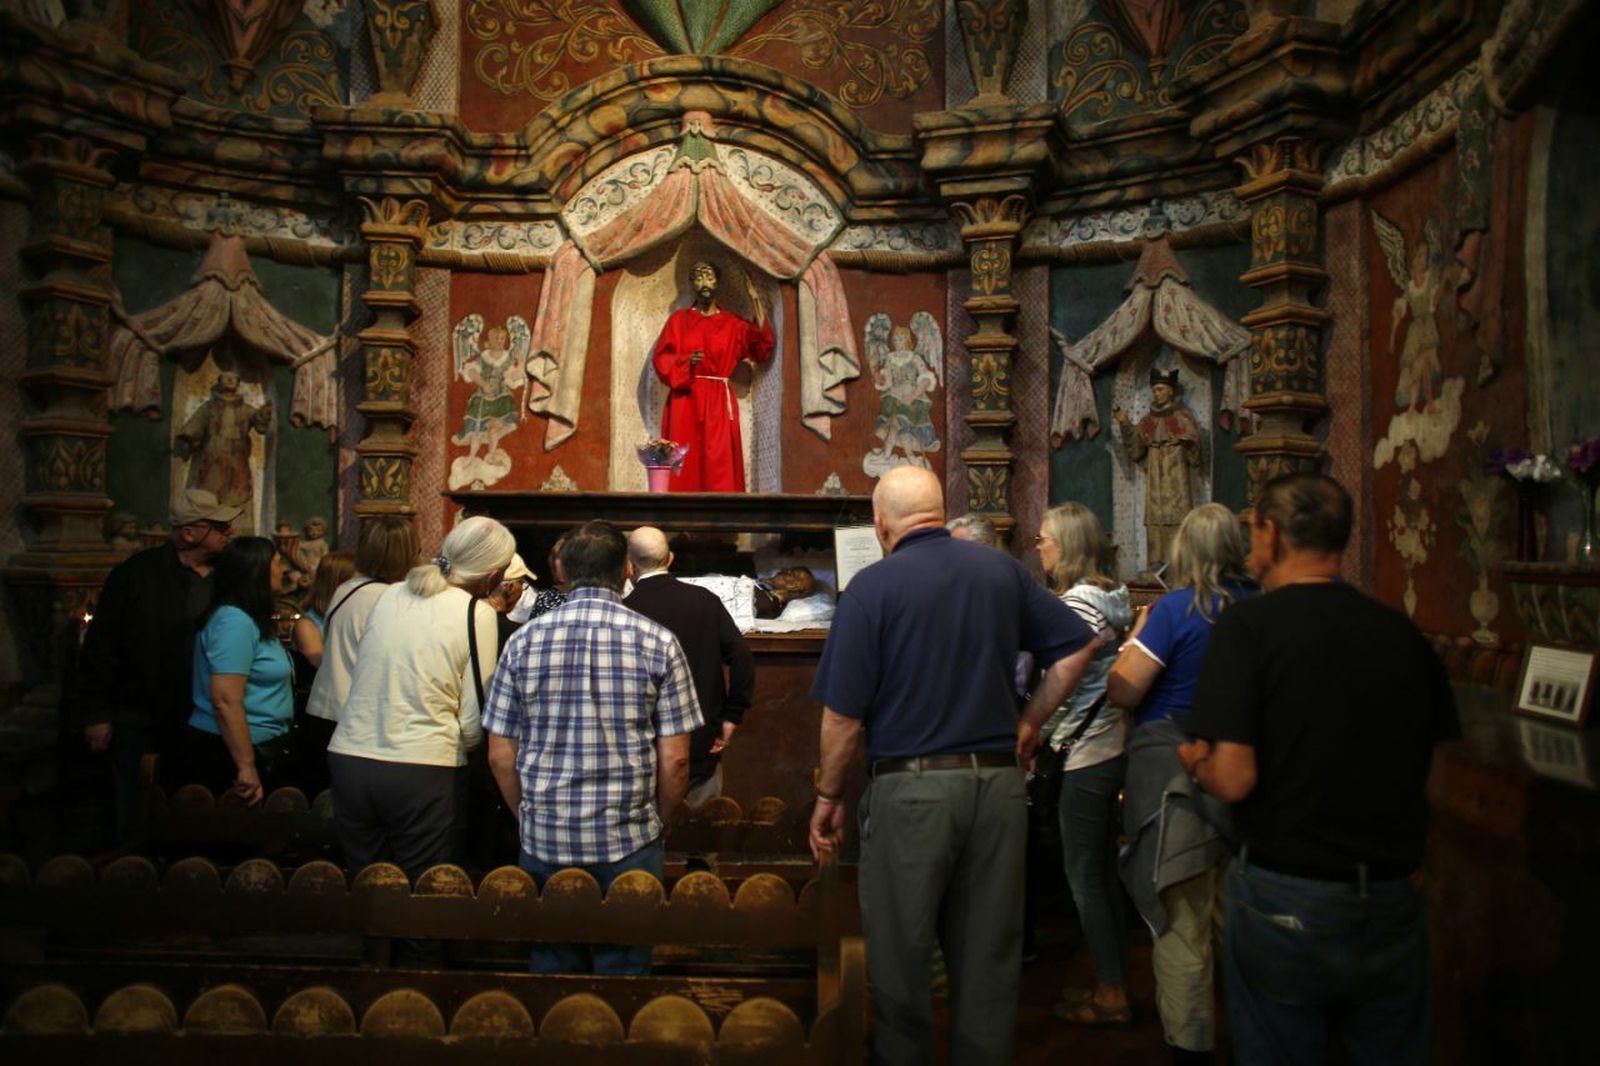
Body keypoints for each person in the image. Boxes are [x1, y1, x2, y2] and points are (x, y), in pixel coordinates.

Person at [808, 466, 1096, 1066]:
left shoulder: (872, 588)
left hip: (910, 792)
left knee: (900, 957)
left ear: (880, 524)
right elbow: (1077, 649)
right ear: (939, 510)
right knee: (988, 957)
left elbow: (842, 719)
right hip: (996, 789)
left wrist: (828, 795)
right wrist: (1030, 723)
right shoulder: (1002, 572)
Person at [1179, 475, 1458, 1065]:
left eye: (1252, 530)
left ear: (1272, 534)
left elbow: (1234, 778)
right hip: (1389, 894)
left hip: (1287, 892)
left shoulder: (1249, 628)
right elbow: (1433, 772)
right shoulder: (1400, 633)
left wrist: (1198, 761)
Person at [484, 520, 702, 975]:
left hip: (546, 836)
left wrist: (530, 814)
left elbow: (500, 754)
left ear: (561, 569)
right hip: (629, 837)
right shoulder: (658, 641)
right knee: (625, 974)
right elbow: (678, 759)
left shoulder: (522, 640)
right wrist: (657, 820)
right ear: (626, 570)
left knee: (551, 970)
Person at [1107, 502, 1255, 1065]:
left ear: (1182, 552)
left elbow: (1124, 690)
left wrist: (1134, 639)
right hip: (1249, 779)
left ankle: (1191, 1049)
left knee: (1183, 925)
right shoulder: (1260, 605)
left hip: (1179, 785)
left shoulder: (1176, 610)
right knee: (1236, 922)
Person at [326, 516, 513, 883]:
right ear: (492, 575)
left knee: (368, 889)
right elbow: (475, 715)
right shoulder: (477, 612)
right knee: (424, 892)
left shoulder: (390, 594)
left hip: (350, 758)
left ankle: (374, 943)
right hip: (422, 767)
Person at [72, 488, 240, 837]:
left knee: (192, 810)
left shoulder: (229, 579)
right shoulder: (135, 576)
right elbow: (102, 647)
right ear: (190, 533)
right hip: (139, 713)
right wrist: (98, 713)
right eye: (220, 526)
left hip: (202, 718)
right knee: (131, 809)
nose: (229, 533)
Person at [1036, 502, 1135, 1028]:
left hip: (1086, 752)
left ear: (1069, 546)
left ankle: (1112, 992)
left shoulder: (1078, 606)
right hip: (1107, 745)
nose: (1039, 546)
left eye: (1046, 538)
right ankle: (1111, 979)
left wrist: (1032, 730)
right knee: (1098, 872)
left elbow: (1060, 683)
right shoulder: (1110, 598)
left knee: (1085, 877)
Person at [624, 526, 755, 814]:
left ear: (629, 566)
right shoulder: (704, 601)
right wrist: (732, 715)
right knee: (703, 838)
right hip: (701, 741)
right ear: (670, 559)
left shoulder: (625, 610)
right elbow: (742, 656)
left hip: (643, 751)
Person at [179, 536, 296, 806]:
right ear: (257, 571)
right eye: (277, 564)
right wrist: (246, 765)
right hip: (229, 755)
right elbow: (225, 700)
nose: (283, 571)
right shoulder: (234, 621)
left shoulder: (249, 619)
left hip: (261, 746)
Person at [303, 516, 419, 767]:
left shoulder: (348, 588)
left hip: (324, 712)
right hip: (352, 724)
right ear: (406, 555)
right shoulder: (388, 599)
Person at [651, 260, 775, 492]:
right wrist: (687, 362)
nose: (704, 283)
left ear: (717, 282)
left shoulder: (733, 323)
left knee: (719, 462)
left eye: (709, 277)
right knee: (684, 464)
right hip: (684, 401)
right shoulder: (678, 321)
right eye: (698, 278)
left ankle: (722, 521)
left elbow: (762, 348)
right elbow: (661, 361)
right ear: (691, 284)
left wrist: (755, 300)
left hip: (718, 401)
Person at [1114, 366, 1201, 572]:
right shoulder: (1148, 419)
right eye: (1154, 390)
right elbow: (1136, 447)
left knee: (1178, 516)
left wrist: (1187, 442)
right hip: (1155, 477)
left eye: (1161, 389)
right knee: (1154, 517)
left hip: (1176, 474)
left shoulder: (1183, 417)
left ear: (1171, 391)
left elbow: (1194, 447)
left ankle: (1179, 566)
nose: (1157, 393)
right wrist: (1125, 423)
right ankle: (1155, 565)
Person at [174, 370, 273, 521]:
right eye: (226, 378)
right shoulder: (209, 408)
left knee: (239, 491)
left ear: (239, 383)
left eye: (234, 378)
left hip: (238, 457)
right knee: (209, 492)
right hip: (213, 455)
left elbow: (260, 426)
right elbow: (193, 428)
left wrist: (264, 414)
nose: (230, 380)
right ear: (219, 382)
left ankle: (236, 521)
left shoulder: (245, 409)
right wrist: (190, 436)